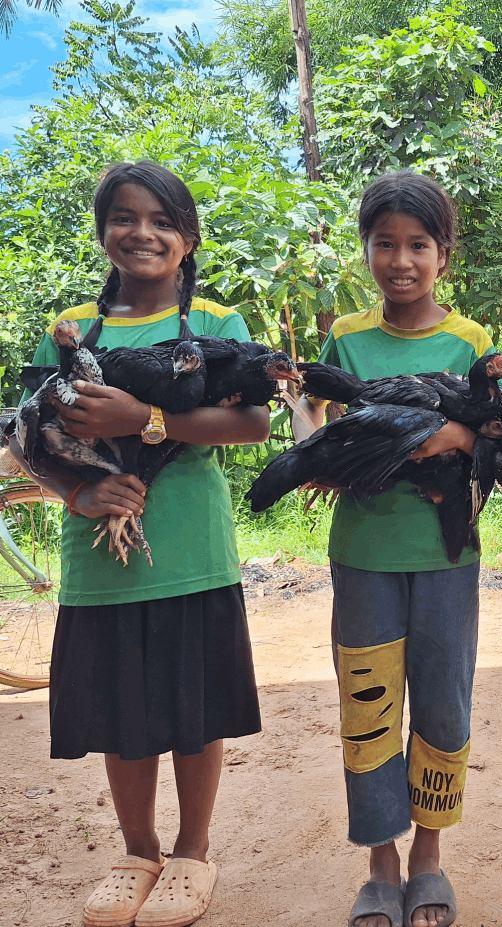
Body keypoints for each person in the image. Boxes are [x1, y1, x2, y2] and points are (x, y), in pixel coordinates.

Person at [9, 161, 269, 927]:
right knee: (121, 711)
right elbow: (33, 435)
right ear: (103, 233)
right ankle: (137, 851)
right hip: (98, 557)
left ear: (189, 239)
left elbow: (253, 425)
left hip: (191, 548)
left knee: (194, 707)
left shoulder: (218, 324)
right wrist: (79, 492)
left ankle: (192, 851)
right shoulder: (72, 326)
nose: (143, 233)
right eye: (125, 217)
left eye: (163, 220)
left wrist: (144, 419)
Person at [293, 170, 495, 927]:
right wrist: (314, 451)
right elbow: (311, 407)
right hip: (364, 553)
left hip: (447, 556)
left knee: (444, 702)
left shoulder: (470, 340)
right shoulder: (346, 336)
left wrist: (427, 441)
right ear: (366, 250)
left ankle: (429, 858)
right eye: (385, 243)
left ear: (443, 254)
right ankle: (381, 860)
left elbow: (491, 426)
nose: (401, 260)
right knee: (370, 704)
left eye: (418, 244)